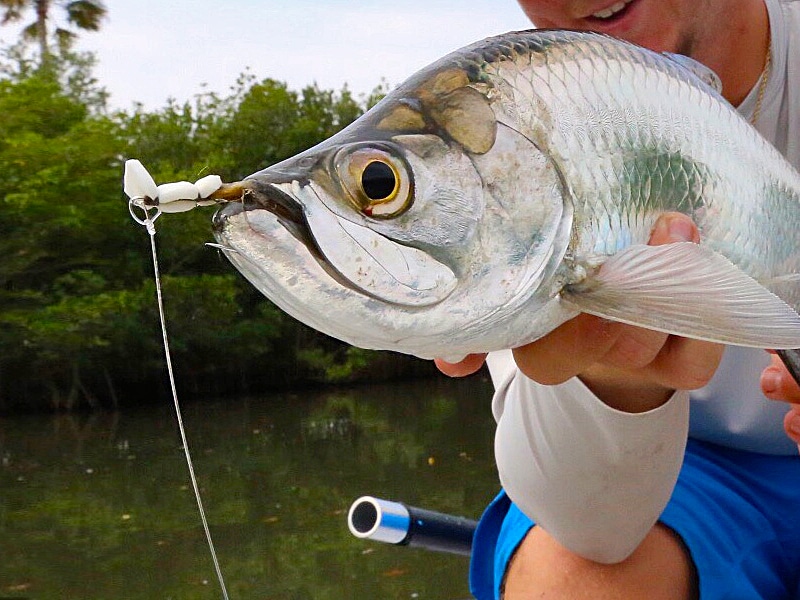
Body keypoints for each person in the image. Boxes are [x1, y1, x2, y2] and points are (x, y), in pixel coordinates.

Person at [436, 0, 800, 598]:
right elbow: (593, 529)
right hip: (696, 482)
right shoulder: (507, 125)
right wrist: (616, 382)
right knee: (570, 579)